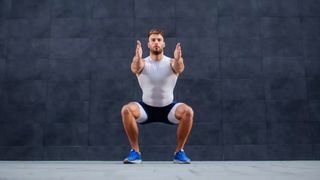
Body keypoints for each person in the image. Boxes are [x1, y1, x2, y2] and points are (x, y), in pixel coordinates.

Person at [121, 28, 194, 164]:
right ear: (148, 44)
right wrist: (137, 57)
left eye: (159, 40)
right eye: (153, 40)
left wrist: (178, 58)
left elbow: (179, 67)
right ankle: (135, 152)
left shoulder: (172, 62)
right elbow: (135, 68)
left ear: (164, 44)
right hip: (146, 109)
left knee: (188, 112)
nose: (156, 42)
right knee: (127, 110)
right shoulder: (142, 62)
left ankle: (179, 152)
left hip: (168, 109)